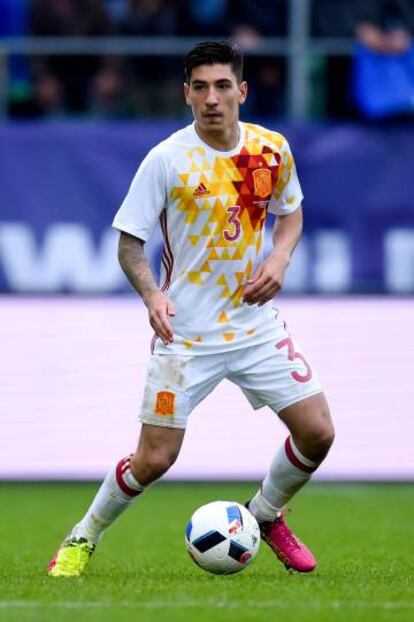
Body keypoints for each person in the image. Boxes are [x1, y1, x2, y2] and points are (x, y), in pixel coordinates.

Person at [48, 41, 334, 578]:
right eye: (200, 87)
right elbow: (128, 243)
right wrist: (154, 295)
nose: (212, 99)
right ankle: (82, 537)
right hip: (186, 335)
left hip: (253, 325)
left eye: (223, 86)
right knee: (154, 460)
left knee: (318, 432)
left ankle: (266, 516)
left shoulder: (271, 150)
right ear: (186, 93)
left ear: (242, 91)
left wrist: (279, 255)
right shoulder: (168, 159)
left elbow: (291, 214)